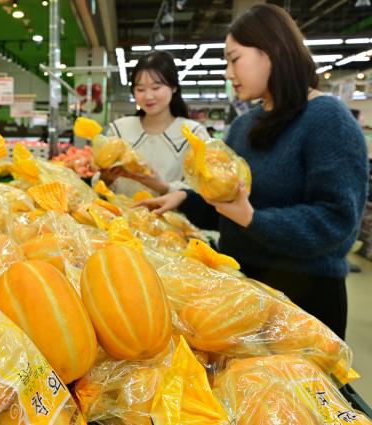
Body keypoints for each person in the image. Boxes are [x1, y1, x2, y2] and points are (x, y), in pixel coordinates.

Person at [137, 4, 369, 339]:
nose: (228, 73)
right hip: (242, 288)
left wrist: (253, 219)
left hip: (305, 300)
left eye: (234, 59)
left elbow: (336, 221)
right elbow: (231, 205)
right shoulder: (244, 125)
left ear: (271, 52)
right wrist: (183, 199)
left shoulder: (328, 119)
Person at [98, 51, 209, 197]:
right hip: (122, 218)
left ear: (174, 87)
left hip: (174, 219)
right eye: (140, 89)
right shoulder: (119, 130)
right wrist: (105, 180)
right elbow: (100, 188)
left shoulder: (193, 134)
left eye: (156, 88)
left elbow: (205, 190)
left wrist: (162, 187)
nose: (148, 96)